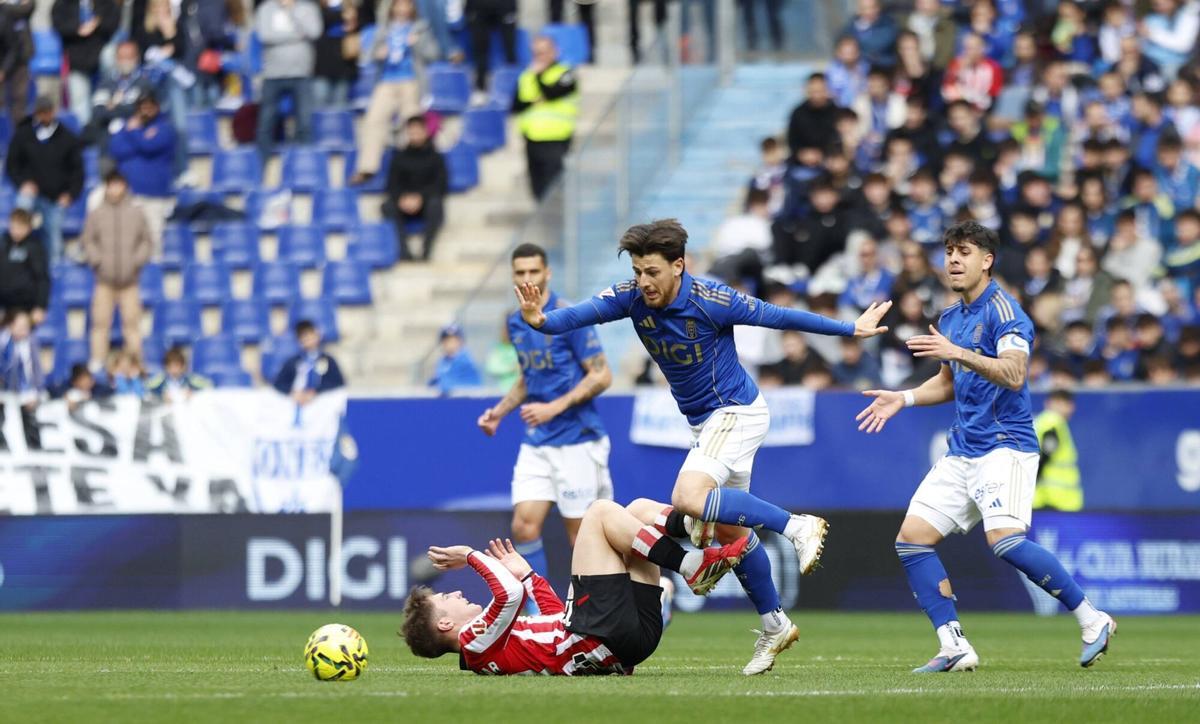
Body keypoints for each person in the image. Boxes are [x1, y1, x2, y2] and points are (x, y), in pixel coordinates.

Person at [514, 218, 892, 675]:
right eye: (638, 271)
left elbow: (779, 316)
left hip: (737, 411)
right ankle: (775, 625)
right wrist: (540, 320)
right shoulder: (630, 297)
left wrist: (849, 329)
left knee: (688, 497)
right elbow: (577, 316)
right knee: (731, 533)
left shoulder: (712, 300)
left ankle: (796, 526)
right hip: (706, 424)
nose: (644, 282)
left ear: (679, 265)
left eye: (652, 271)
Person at [854, 221, 1115, 672]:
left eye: (965, 252)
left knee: (1004, 541)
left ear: (987, 260)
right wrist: (906, 397)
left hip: (1005, 446)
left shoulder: (1007, 313)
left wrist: (958, 353)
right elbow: (948, 382)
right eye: (949, 251)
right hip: (963, 450)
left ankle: (1093, 620)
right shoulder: (953, 317)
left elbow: (1014, 373)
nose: (953, 260)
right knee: (912, 540)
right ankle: (954, 645)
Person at [401, 498, 752, 673]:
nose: (458, 593)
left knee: (638, 511)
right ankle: (691, 562)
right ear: (445, 623)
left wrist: (529, 576)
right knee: (599, 512)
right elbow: (509, 595)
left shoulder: (492, 644)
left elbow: (555, 616)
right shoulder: (471, 643)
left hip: (624, 643)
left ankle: (696, 524)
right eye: (447, 597)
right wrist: (472, 556)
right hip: (600, 635)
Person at [476, 243, 614, 593]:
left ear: (547, 273)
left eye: (533, 272)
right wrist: (500, 412)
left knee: (582, 538)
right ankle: (540, 609)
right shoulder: (514, 322)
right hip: (538, 439)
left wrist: (554, 407)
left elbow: (601, 375)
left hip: (578, 439)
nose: (527, 279)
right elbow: (530, 377)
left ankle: (635, 601)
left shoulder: (571, 315)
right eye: (520, 273)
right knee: (523, 527)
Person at [351, 0, 437, 183]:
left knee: (410, 123)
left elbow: (433, 54)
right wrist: (377, 54)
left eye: (406, 6)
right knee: (374, 121)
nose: (402, 10)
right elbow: (367, 56)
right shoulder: (383, 29)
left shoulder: (420, 28)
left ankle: (410, 171)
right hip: (386, 81)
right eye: (398, 6)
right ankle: (367, 167)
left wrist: (416, 44)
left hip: (411, 81)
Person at [81, 170, 152, 369]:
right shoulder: (96, 213)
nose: (115, 189)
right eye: (111, 184)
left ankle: (136, 365)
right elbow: (87, 240)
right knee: (100, 325)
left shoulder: (136, 213)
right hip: (104, 281)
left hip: (130, 282)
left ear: (125, 186)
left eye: (119, 184)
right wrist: (98, 261)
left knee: (132, 326)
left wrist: (136, 261)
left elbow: (146, 241)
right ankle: (98, 364)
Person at [4, 95, 85, 265]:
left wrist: (70, 194)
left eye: (47, 112)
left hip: (55, 198)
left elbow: (78, 171)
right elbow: (12, 165)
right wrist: (23, 182)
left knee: (54, 237)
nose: (43, 116)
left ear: (53, 112)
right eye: (40, 112)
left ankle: (53, 270)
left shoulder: (67, 137)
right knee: (22, 206)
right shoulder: (23, 133)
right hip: (32, 194)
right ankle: (15, 258)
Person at [108, 90, 178, 254]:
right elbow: (115, 149)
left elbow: (149, 146)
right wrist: (138, 137)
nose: (146, 109)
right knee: (128, 240)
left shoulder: (165, 128)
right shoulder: (128, 126)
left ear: (157, 107)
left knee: (153, 240)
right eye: (142, 106)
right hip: (128, 195)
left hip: (154, 195)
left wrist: (134, 133)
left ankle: (154, 277)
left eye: (150, 106)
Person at [254, 0, 323, 162]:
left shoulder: (308, 8)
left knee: (304, 124)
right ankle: (261, 168)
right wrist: (297, 35)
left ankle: (305, 167)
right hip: (272, 74)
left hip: (302, 74)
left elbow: (314, 32)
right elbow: (265, 35)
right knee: (265, 123)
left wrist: (292, 12)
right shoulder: (266, 8)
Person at [513, 35, 578, 200]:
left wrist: (539, 77)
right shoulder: (526, 76)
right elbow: (516, 105)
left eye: (543, 52)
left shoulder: (565, 72)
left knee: (555, 187)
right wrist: (536, 99)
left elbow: (552, 93)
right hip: (532, 138)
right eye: (536, 53)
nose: (539, 57)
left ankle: (558, 223)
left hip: (556, 138)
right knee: (537, 188)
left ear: (554, 52)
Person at [383, 115, 447, 261]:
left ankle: (426, 251)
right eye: (411, 132)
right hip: (403, 203)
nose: (414, 135)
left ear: (425, 132)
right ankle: (403, 252)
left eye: (417, 131)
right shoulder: (399, 157)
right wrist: (402, 198)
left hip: (426, 202)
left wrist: (420, 198)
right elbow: (392, 184)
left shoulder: (436, 157)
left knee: (436, 205)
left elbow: (440, 184)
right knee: (387, 206)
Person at [51, 0, 121, 125]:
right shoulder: (63, 3)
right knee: (79, 102)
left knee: (110, 53)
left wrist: (96, 23)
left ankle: (111, 90)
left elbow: (114, 23)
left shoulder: (106, 3)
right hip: (76, 59)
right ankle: (85, 137)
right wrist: (78, 28)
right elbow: (58, 24)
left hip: (100, 53)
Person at [272, 319, 346, 404]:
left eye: (311, 336)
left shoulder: (327, 360)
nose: (308, 340)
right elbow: (279, 383)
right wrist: (292, 392)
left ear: (317, 336)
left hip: (319, 399)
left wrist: (315, 392)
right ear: (300, 341)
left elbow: (337, 381)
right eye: (304, 337)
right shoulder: (293, 362)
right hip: (294, 398)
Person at [1033, 389, 1083, 512]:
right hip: (1053, 499)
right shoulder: (1053, 421)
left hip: (1047, 498)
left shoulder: (1042, 421)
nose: (1071, 408)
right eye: (1067, 404)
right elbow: (1046, 452)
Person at [0, 309, 44, 447]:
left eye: (26, 328)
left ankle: (34, 449)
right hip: (3, 386)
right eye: (19, 327)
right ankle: (3, 447)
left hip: (25, 387)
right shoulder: (3, 342)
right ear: (10, 326)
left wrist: (37, 390)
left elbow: (36, 368)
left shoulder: (31, 342)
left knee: (30, 419)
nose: (22, 331)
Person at [0, 209, 50, 324]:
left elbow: (42, 278)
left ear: (28, 228)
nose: (16, 231)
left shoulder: (35, 247)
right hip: (3, 303)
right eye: (13, 227)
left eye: (19, 227)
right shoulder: (3, 243)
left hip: (25, 306)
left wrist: (40, 306)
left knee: (20, 326)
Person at [466, 0, 517, 96]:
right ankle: (480, 88)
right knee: (480, 50)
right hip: (479, 8)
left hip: (505, 6)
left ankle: (514, 87)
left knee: (510, 49)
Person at [0, 0, 33, 121]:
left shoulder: (5, 15)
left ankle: (18, 136)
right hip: (5, 59)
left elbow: (29, 6)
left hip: (19, 59)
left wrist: (3, 70)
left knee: (19, 100)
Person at [430, 323, 482, 394]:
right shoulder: (443, 361)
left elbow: (471, 386)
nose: (450, 344)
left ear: (461, 342)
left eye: (453, 340)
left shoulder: (465, 361)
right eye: (446, 340)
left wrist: (443, 385)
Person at [146, 346, 210, 402]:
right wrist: (162, 396)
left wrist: (193, 393)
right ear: (166, 367)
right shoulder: (161, 379)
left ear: (183, 366)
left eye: (176, 366)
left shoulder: (189, 379)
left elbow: (208, 386)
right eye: (170, 366)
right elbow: (147, 388)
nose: (174, 369)